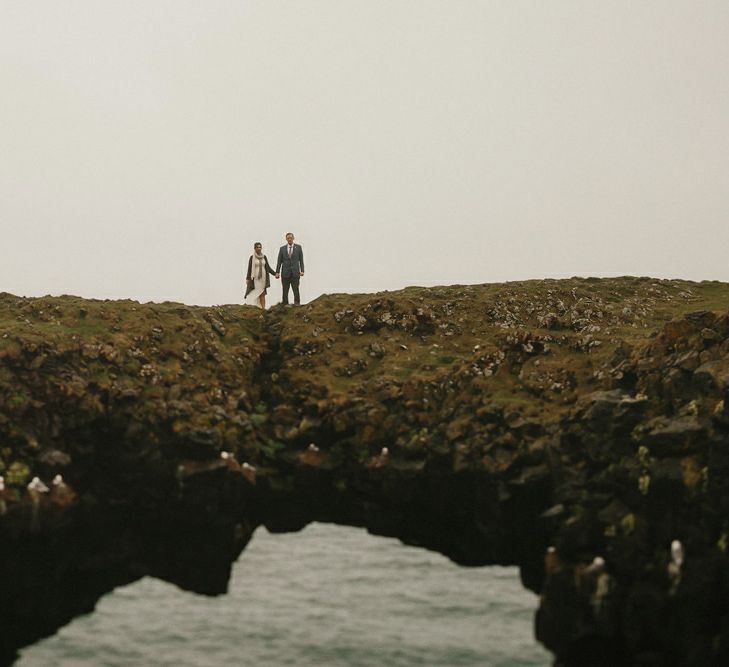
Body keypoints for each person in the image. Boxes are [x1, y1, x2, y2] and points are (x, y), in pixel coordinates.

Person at [275, 232, 305, 305]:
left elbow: (301, 260)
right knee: (285, 290)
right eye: (288, 238)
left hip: (295, 273)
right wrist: (277, 272)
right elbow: (279, 261)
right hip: (285, 273)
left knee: (296, 289)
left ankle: (297, 304)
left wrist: (302, 270)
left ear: (293, 238)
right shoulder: (282, 249)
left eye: (291, 238)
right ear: (286, 239)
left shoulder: (298, 247)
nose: (289, 239)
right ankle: (285, 304)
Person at [245, 242, 276, 309]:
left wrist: (275, 273)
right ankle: (252, 306)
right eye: (257, 247)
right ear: (254, 248)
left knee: (262, 293)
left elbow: (268, 267)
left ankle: (263, 308)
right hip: (255, 279)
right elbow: (249, 269)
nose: (259, 248)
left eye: (260, 247)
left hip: (263, 278)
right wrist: (247, 278)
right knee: (255, 292)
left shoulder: (264, 257)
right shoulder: (252, 258)